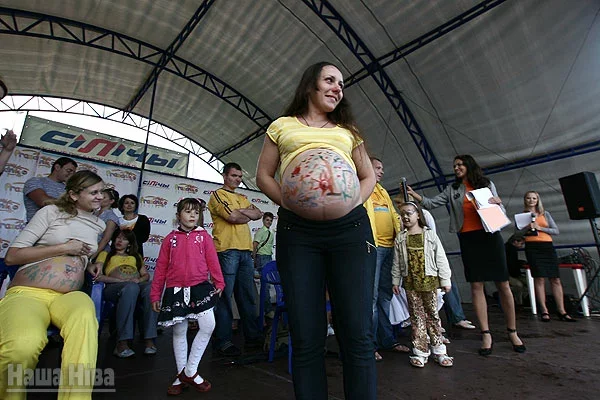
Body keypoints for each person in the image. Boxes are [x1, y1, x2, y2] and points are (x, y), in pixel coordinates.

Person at [256, 62, 377, 400]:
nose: (338, 88)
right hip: (299, 234)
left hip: (350, 231)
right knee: (307, 335)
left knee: (357, 333)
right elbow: (263, 175)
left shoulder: (348, 130)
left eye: (341, 83)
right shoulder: (282, 126)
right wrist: (292, 202)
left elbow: (368, 176)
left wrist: (352, 202)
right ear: (310, 85)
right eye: (330, 80)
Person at [0, 170, 105, 399]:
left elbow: (79, 254)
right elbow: (13, 256)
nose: (100, 196)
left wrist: (88, 265)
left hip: (68, 296)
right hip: (28, 293)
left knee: (85, 319)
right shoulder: (51, 212)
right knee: (22, 347)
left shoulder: (98, 224)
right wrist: (63, 248)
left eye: (102, 191)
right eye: (94, 192)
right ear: (74, 195)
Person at [407, 154, 525, 356]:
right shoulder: (453, 189)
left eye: (460, 164)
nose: (456, 168)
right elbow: (432, 202)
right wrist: (415, 195)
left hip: (490, 236)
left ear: (469, 165)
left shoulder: (486, 184)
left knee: (503, 283)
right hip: (468, 239)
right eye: (454, 165)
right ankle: (486, 333)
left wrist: (498, 202)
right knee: (476, 284)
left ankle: (513, 332)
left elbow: (500, 208)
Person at [150, 198, 225, 396]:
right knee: (179, 331)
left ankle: (189, 371)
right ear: (178, 216)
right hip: (175, 290)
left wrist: (219, 281)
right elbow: (160, 268)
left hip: (200, 287)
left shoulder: (205, 237)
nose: (192, 215)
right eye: (188, 211)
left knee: (208, 325)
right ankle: (181, 374)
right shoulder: (169, 239)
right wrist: (155, 293)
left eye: (196, 212)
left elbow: (213, 261)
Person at [207, 162, 263, 356]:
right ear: (224, 176)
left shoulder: (242, 196)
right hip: (227, 250)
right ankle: (222, 341)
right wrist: (245, 214)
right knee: (224, 297)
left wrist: (243, 213)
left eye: (240, 176)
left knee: (247, 296)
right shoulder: (217, 195)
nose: (237, 179)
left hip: (245, 251)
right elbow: (232, 217)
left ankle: (253, 336)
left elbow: (258, 214)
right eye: (233, 176)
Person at [392, 202, 454, 368]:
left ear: (418, 215)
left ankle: (440, 350)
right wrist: (396, 280)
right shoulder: (401, 238)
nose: (405, 216)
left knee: (433, 316)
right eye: (402, 213)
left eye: (409, 213)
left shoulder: (430, 235)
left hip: (429, 283)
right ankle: (420, 351)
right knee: (416, 318)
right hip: (411, 285)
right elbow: (397, 262)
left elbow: (440, 258)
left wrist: (445, 279)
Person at [363, 157, 408, 361]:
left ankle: (387, 340)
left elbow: (393, 215)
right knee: (371, 298)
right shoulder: (363, 187)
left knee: (385, 296)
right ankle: (370, 345)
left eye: (382, 168)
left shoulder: (382, 191)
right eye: (377, 167)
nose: (381, 171)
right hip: (374, 248)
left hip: (390, 248)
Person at [94, 229, 158, 357]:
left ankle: (149, 339)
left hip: (134, 284)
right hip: (114, 287)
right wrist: (118, 280)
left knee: (151, 288)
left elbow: (145, 275)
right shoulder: (105, 255)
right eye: (117, 238)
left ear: (129, 243)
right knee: (131, 288)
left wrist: (138, 280)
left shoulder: (136, 257)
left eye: (123, 239)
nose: (119, 241)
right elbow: (99, 276)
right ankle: (122, 343)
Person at [520, 191, 576, 322]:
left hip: (547, 246)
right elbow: (517, 234)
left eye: (534, 198)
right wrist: (527, 228)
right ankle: (544, 310)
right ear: (525, 200)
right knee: (539, 278)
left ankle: (561, 310)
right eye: (528, 198)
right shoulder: (522, 216)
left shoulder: (545, 214)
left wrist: (540, 228)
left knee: (555, 278)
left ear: (538, 200)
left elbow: (555, 230)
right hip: (532, 247)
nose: (531, 200)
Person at [23, 156, 77, 221]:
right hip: (38, 228)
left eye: (73, 173)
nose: (71, 175)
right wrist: (69, 206)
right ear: (57, 167)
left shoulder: (68, 189)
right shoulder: (35, 181)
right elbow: (44, 201)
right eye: (69, 171)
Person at [118, 194, 151, 258]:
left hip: (136, 254)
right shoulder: (117, 221)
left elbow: (144, 238)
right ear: (122, 206)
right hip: (118, 255)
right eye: (126, 203)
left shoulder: (143, 219)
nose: (129, 205)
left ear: (136, 206)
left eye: (132, 203)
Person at [93, 188, 120, 258]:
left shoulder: (112, 217)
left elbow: (106, 239)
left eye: (104, 197)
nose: (100, 198)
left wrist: (93, 256)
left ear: (111, 201)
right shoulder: (94, 213)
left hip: (100, 252)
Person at [505, 234, 527, 307]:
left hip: (509, 273)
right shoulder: (511, 250)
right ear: (515, 242)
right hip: (509, 274)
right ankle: (520, 302)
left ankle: (519, 301)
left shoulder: (508, 249)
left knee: (520, 284)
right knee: (520, 285)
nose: (522, 246)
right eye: (521, 243)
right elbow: (512, 264)